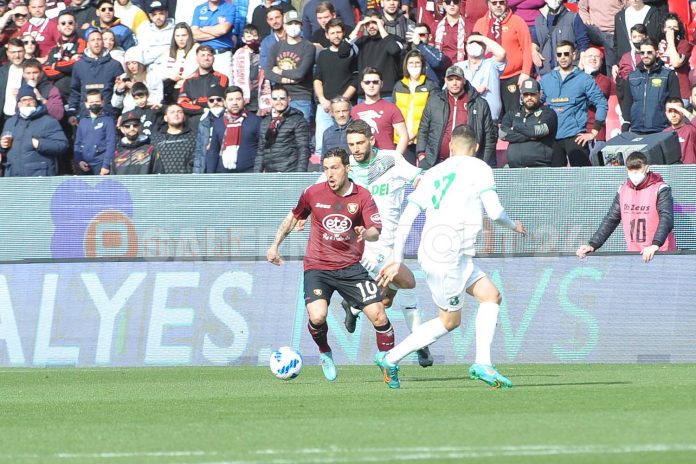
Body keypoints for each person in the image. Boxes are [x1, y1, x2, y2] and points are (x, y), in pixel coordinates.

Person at [375, 125, 526, 389]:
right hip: (448, 256)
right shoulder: (480, 168)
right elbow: (495, 211)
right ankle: (391, 358)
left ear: (451, 147)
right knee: (449, 321)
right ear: (476, 148)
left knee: (491, 296)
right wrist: (514, 226)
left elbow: (408, 215)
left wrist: (397, 257)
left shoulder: (434, 172)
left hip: (450, 254)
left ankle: (482, 363)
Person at [266, 147, 395, 382]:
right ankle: (325, 352)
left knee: (379, 315)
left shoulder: (363, 196)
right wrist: (275, 245)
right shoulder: (313, 193)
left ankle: (388, 363)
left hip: (351, 268)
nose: (330, 174)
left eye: (334, 168)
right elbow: (294, 216)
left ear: (347, 168)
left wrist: (366, 233)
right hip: (318, 266)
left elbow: (376, 231)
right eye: (325, 169)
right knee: (317, 316)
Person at [337, 120, 432, 367]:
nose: (355, 149)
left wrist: (426, 189)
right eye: (351, 144)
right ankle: (421, 343)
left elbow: (418, 177)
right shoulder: (345, 167)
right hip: (364, 247)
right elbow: (317, 192)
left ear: (372, 140)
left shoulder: (390, 160)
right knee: (408, 283)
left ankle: (354, 306)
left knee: (387, 300)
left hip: (391, 243)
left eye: (359, 143)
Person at [576, 151, 676, 263]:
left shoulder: (661, 189)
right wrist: (593, 244)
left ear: (647, 168)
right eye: (631, 170)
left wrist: (655, 245)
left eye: (638, 170)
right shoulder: (623, 190)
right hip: (634, 255)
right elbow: (611, 219)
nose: (634, 174)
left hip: (660, 253)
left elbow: (666, 218)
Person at [539, 40, 607, 167]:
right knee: (554, 181)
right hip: (552, 138)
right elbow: (536, 104)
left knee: (582, 179)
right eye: (559, 55)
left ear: (574, 55)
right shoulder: (546, 79)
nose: (563, 57)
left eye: (566, 54)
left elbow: (602, 103)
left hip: (576, 137)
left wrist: (593, 132)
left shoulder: (584, 79)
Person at [416, 65, 497, 169]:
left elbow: (489, 137)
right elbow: (423, 129)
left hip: (468, 166)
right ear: (445, 80)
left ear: (464, 80)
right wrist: (421, 155)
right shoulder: (434, 101)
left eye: (458, 79)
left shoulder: (480, 104)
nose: (454, 83)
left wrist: (482, 162)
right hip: (436, 163)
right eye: (450, 79)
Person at [473, 0, 533, 119]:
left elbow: (527, 48)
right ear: (488, 4)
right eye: (494, 3)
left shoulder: (517, 21)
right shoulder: (480, 24)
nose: (498, 5)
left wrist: (525, 73)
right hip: (489, 78)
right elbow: (474, 53)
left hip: (513, 77)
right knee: (491, 117)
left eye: (501, 2)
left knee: (514, 116)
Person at [0, 83, 68, 176]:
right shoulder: (10, 122)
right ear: (18, 104)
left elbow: (62, 145)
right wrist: (2, 146)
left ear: (36, 101)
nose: (27, 103)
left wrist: (39, 143)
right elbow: (4, 149)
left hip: (39, 176)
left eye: (30, 99)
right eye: (23, 100)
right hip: (13, 175)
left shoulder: (48, 121)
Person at [313, 18, 357, 156]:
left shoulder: (351, 53)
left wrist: (342, 100)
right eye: (332, 33)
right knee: (321, 146)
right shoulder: (323, 55)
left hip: (346, 105)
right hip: (325, 107)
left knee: (349, 144)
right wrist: (322, 99)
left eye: (339, 32)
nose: (336, 35)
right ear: (327, 35)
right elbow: (317, 79)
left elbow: (356, 79)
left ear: (343, 33)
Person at [264, 9, 315, 124]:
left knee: (301, 134)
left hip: (301, 97)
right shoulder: (276, 47)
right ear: (284, 26)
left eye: (296, 23)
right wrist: (285, 79)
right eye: (290, 23)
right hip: (280, 97)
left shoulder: (308, 47)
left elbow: (300, 73)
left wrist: (279, 71)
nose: (293, 26)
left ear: (301, 26)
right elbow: (267, 72)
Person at [346, 9, 405, 100]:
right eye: (367, 24)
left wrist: (381, 27)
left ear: (382, 22)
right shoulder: (361, 42)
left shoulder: (394, 39)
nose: (371, 26)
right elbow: (343, 53)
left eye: (374, 22)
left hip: (387, 94)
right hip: (364, 95)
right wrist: (358, 27)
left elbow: (393, 50)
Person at [624, 38, 680, 134]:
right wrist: (626, 123)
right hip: (636, 129)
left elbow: (676, 101)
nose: (645, 56)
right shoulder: (633, 76)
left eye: (649, 52)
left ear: (657, 53)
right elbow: (627, 102)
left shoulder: (668, 74)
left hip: (661, 129)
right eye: (642, 53)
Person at [393, 50, 439, 165]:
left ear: (423, 65)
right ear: (406, 66)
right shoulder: (399, 86)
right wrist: (404, 134)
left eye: (417, 63)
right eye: (411, 63)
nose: (414, 66)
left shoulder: (431, 85)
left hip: (423, 140)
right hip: (402, 139)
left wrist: (415, 133)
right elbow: (394, 113)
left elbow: (433, 114)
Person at [67, 28, 123, 121]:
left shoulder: (114, 65)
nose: (96, 42)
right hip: (86, 116)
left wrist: (121, 114)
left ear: (103, 42)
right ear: (88, 44)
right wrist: (72, 112)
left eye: (99, 39)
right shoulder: (79, 65)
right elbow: (75, 91)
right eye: (93, 40)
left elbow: (121, 91)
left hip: (109, 115)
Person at [500, 78, 557, 167]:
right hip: (514, 166)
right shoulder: (512, 112)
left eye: (532, 94)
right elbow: (502, 134)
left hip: (540, 167)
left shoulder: (548, 113)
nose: (529, 97)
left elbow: (539, 131)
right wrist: (531, 136)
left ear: (539, 94)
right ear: (522, 96)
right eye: (526, 94)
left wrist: (516, 128)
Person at [351, 67, 408, 154]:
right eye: (367, 82)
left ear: (381, 84)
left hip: (387, 159)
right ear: (362, 84)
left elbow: (404, 136)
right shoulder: (355, 110)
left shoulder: (392, 108)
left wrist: (395, 158)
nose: (371, 85)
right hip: (363, 160)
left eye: (375, 82)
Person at [206, 85, 262, 173]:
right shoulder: (218, 123)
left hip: (250, 175)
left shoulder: (256, 121)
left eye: (238, 99)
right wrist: (210, 176)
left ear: (244, 101)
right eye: (231, 100)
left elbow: (262, 149)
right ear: (225, 102)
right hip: (224, 176)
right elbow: (213, 151)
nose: (234, 103)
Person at [255, 85, 309, 172]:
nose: (278, 102)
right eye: (275, 99)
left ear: (289, 99)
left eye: (282, 98)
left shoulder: (298, 120)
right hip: (270, 173)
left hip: (290, 171)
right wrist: (257, 174)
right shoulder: (265, 122)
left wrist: (300, 175)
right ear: (271, 101)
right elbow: (261, 150)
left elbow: (303, 149)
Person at [455, 32, 507, 122]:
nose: (475, 45)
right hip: (465, 119)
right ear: (466, 47)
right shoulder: (458, 67)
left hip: (489, 120)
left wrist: (482, 38)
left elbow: (501, 53)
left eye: (478, 43)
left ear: (484, 47)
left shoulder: (492, 64)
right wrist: (474, 91)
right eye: (471, 43)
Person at [532, 0, 591, 76]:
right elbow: (535, 41)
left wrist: (581, 63)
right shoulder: (539, 20)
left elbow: (583, 42)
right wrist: (533, 51)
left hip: (570, 71)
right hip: (546, 72)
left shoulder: (573, 17)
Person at [177, 44, 229, 126]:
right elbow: (182, 103)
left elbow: (218, 100)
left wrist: (195, 101)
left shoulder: (222, 78)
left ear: (213, 58)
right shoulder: (188, 81)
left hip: (218, 120)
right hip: (195, 120)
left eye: (209, 55)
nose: (206, 58)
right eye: (202, 55)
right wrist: (202, 109)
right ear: (197, 59)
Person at [42, 11, 86, 103]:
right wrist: (67, 70)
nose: (67, 25)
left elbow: (76, 65)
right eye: (63, 23)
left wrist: (56, 66)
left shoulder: (82, 43)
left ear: (76, 25)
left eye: (70, 23)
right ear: (58, 27)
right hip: (57, 95)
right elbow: (46, 70)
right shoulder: (54, 48)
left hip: (76, 92)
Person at [152, 22, 199, 104]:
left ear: (189, 36)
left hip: (190, 89)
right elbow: (161, 72)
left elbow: (187, 72)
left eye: (184, 35)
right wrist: (171, 75)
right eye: (177, 36)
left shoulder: (196, 48)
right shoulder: (170, 52)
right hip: (172, 89)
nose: (181, 39)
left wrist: (173, 75)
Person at [74, 89, 117, 175]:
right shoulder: (83, 121)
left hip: (101, 164)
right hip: (85, 164)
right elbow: (77, 143)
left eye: (97, 101)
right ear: (86, 104)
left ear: (102, 102)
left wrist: (106, 165)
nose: (94, 104)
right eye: (91, 102)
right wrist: (79, 160)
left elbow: (111, 143)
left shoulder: (108, 121)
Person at [231, 23, 270, 115]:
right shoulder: (239, 53)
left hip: (260, 90)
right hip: (246, 93)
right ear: (243, 39)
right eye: (249, 36)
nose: (252, 39)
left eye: (254, 36)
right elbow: (235, 74)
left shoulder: (263, 51)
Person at [191, 0, 235, 81]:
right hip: (203, 55)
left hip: (222, 55)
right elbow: (194, 35)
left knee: (226, 86)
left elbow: (223, 30)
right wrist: (217, 32)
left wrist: (203, 29)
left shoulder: (229, 7)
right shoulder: (199, 9)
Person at [578, 0, 626, 74]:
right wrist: (586, 19)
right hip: (595, 30)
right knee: (609, 41)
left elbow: (629, 6)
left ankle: (611, 80)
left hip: (614, 30)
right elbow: (581, 8)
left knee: (610, 41)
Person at [112, 46, 163, 112]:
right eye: (128, 64)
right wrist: (119, 90)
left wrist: (137, 88)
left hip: (148, 112)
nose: (131, 67)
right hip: (129, 114)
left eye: (134, 63)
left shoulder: (152, 76)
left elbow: (158, 99)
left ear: (140, 63)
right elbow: (115, 104)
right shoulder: (123, 77)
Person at [111, 109, 164, 174]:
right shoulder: (117, 153)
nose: (132, 128)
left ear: (140, 127)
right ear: (122, 129)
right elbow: (113, 178)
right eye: (127, 126)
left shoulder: (150, 150)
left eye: (135, 125)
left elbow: (158, 173)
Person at [151, 103, 197, 173]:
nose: (176, 114)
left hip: (187, 181)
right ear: (165, 118)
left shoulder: (195, 137)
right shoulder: (155, 138)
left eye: (180, 112)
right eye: (172, 112)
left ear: (184, 117)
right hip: (161, 181)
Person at [193, 85, 225, 173]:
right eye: (211, 100)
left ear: (224, 101)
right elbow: (199, 150)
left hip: (224, 164)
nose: (215, 102)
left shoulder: (229, 118)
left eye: (218, 99)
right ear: (208, 103)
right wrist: (197, 173)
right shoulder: (203, 121)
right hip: (207, 165)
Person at [136, 0, 175, 68]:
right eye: (154, 14)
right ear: (150, 16)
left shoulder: (175, 30)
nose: (158, 17)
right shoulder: (144, 31)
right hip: (149, 68)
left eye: (161, 13)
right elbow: (142, 55)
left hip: (169, 67)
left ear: (166, 14)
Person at [0, 39, 27, 127]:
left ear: (24, 51)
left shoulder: (32, 69)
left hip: (23, 118)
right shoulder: (2, 70)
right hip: (4, 117)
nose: (17, 55)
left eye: (20, 51)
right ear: (7, 53)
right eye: (13, 52)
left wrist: (22, 93)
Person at [433, 0, 466, 69]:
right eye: (448, 2)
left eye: (455, 1)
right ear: (444, 5)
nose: (452, 4)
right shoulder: (435, 26)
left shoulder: (468, 26)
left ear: (460, 4)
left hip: (461, 69)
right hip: (440, 69)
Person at [664, 98, 696, 164]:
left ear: (683, 112)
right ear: (666, 113)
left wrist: (682, 110)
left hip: (690, 171)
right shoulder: (664, 133)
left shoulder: (691, 129)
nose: (673, 115)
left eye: (676, 111)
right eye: (670, 111)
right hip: (672, 171)